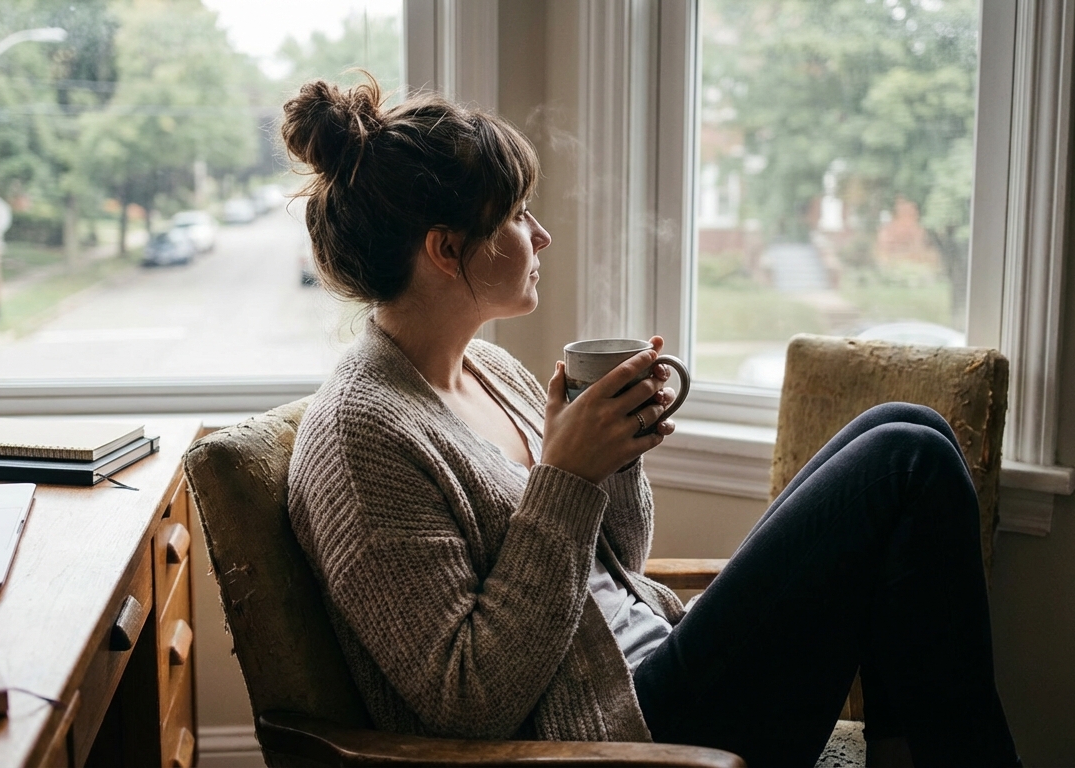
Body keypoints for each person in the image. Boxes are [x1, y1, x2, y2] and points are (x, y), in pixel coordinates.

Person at [282, 75, 1020, 768]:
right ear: (445, 251)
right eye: (513, 216)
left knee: (907, 425)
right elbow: (468, 700)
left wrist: (616, 457)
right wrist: (566, 480)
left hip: (655, 668)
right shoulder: (361, 437)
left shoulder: (489, 370)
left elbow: (618, 568)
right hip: (623, 738)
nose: (538, 236)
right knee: (902, 461)